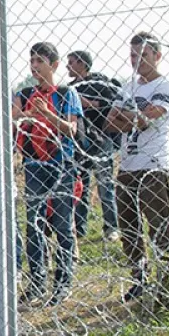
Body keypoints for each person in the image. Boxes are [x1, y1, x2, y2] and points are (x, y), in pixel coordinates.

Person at [105, 32, 169, 301]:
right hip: (127, 165)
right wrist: (134, 118)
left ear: (157, 56)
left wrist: (132, 117)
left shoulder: (166, 86)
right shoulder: (127, 86)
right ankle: (140, 278)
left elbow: (149, 118)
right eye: (133, 55)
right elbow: (110, 123)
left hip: (153, 164)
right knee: (128, 226)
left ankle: (168, 280)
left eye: (143, 55)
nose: (136, 61)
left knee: (158, 224)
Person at [13, 42, 82, 306]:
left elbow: (71, 129)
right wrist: (27, 114)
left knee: (63, 224)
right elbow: (14, 119)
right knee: (34, 224)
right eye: (32, 61)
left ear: (53, 65)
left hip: (61, 163)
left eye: (40, 61)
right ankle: (37, 282)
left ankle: (63, 283)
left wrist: (44, 114)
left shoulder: (66, 94)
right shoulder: (25, 93)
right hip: (34, 165)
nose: (34, 66)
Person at [67, 50, 122, 241]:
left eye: (71, 62)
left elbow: (109, 103)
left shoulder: (100, 82)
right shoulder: (70, 88)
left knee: (105, 184)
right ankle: (80, 227)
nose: (68, 66)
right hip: (81, 141)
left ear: (82, 64)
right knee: (81, 185)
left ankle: (111, 227)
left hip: (102, 138)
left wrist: (85, 103)